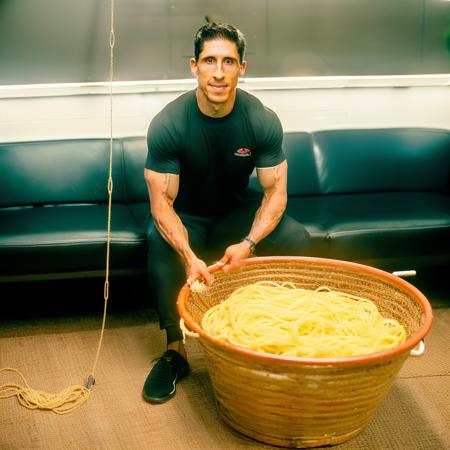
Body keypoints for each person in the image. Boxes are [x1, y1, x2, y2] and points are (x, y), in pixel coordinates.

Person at [142, 22, 310, 403]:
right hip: (188, 216)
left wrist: (249, 242)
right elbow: (161, 204)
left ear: (242, 68)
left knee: (296, 236)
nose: (218, 72)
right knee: (158, 244)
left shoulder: (261, 119)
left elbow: (275, 193)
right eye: (209, 61)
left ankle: (276, 332)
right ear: (194, 66)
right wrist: (188, 256)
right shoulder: (169, 123)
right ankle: (175, 351)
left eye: (228, 61)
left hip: (236, 210)